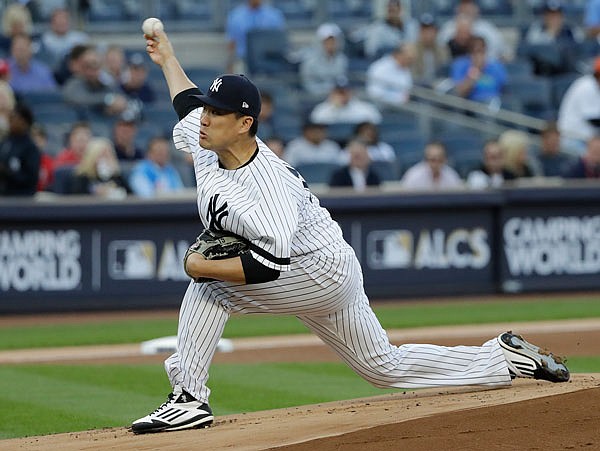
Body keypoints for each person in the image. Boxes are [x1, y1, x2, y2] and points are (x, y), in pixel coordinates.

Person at [130, 24, 570, 435]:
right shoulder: (211, 139)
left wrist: (197, 265)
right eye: (209, 108)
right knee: (382, 366)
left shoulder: (267, 188)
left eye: (218, 112)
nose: (205, 118)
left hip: (316, 271)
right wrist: (167, 56)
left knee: (210, 286)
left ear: (245, 124)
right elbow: (187, 103)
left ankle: (188, 397)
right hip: (328, 261)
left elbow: (268, 265)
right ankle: (502, 359)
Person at [62, 46, 129, 119]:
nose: (91, 72)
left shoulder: (105, 84)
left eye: (95, 67)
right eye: (88, 67)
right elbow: (80, 99)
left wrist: (115, 105)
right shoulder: (73, 84)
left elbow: (120, 99)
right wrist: (108, 100)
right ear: (82, 68)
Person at [522, 0, 582, 77]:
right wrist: (551, 34)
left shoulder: (571, 31)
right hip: (543, 71)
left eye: (557, 15)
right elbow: (532, 51)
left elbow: (579, 50)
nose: (554, 19)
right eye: (550, 15)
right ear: (545, 16)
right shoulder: (536, 30)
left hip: (567, 70)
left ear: (562, 16)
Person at [225, 0, 285, 73]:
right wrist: (230, 65)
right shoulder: (235, 16)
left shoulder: (274, 15)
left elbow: (279, 42)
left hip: (269, 60)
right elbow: (232, 44)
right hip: (243, 60)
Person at [437, 0, 508, 61]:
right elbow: (440, 50)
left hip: (484, 66)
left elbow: (500, 51)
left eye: (469, 5)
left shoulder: (487, 28)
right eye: (464, 5)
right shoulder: (448, 27)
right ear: (457, 8)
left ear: (476, 8)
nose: (466, 9)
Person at [557, 56, 600, 154]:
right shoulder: (587, 86)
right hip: (572, 138)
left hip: (585, 139)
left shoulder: (597, 86)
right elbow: (593, 120)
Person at [450, 36, 507, 105]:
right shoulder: (460, 64)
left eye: (481, 51)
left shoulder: (496, 66)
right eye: (474, 52)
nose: (478, 55)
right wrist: (475, 70)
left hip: (495, 102)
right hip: (470, 105)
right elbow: (458, 93)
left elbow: (504, 89)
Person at [299, 23, 349, 100]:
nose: (331, 44)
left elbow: (342, 80)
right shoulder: (310, 61)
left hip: (337, 98)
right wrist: (326, 91)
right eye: (327, 41)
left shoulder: (342, 60)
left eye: (333, 41)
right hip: (314, 98)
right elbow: (308, 84)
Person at [0, 103, 39, 196]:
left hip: (22, 198)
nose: (10, 121)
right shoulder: (5, 142)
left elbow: (31, 179)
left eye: (14, 118)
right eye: (10, 118)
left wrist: (7, 172)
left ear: (24, 122)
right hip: (4, 194)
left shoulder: (30, 147)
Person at [310, 77, 382, 125]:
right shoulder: (321, 109)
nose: (342, 95)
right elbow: (316, 127)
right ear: (332, 93)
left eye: (345, 91)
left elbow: (376, 122)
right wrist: (334, 109)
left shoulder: (365, 108)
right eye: (339, 92)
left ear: (351, 92)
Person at [39, 7, 89, 72]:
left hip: (76, 73)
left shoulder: (80, 38)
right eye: (58, 19)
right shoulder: (44, 39)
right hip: (51, 72)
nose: (61, 22)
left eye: (64, 19)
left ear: (69, 21)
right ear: (52, 22)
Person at [366, 43, 415, 108]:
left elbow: (407, 91)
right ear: (397, 55)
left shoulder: (405, 69)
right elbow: (375, 94)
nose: (410, 62)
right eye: (408, 58)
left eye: (412, 59)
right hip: (380, 108)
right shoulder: (380, 68)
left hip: (400, 108)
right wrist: (399, 99)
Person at [412, 13, 449, 87]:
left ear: (436, 32)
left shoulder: (443, 49)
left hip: (438, 86)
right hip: (418, 87)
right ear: (420, 32)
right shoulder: (412, 49)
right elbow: (413, 76)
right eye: (424, 30)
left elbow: (445, 72)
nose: (427, 34)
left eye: (430, 30)